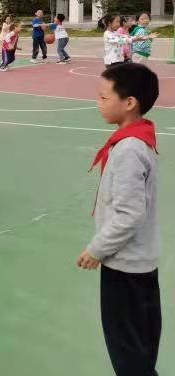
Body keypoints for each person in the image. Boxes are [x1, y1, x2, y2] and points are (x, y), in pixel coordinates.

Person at [76, 63, 160, 376]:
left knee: (128, 355)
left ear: (129, 102)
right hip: (140, 264)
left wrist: (97, 248)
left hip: (124, 267)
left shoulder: (128, 150)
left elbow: (129, 214)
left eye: (103, 97)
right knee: (141, 346)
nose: (98, 102)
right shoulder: (138, 140)